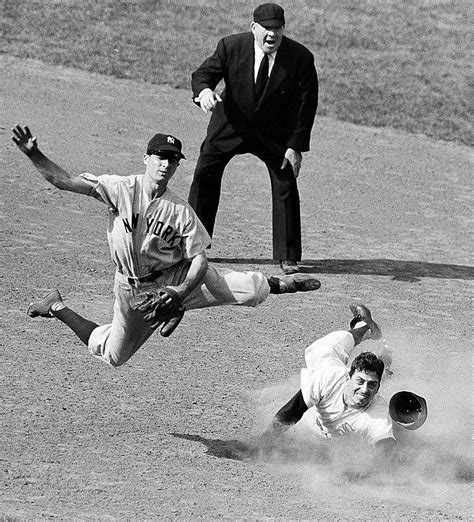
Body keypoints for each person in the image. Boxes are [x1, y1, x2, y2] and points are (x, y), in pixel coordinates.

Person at [12, 124, 321, 368]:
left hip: (177, 276)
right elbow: (64, 181)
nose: (165, 164)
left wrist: (179, 292)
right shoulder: (120, 188)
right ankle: (56, 305)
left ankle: (282, 284)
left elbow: (199, 261)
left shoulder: (180, 210)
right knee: (115, 355)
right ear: (147, 158)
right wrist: (34, 154)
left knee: (247, 290)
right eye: (160, 156)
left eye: (172, 159)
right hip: (134, 291)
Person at [189, 3, 318, 275]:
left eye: (278, 29)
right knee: (205, 174)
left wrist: (295, 146)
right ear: (254, 28)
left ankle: (288, 255)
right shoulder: (231, 47)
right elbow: (203, 75)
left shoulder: (300, 58)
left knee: (285, 182)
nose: (272, 35)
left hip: (272, 133)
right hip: (230, 125)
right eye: (267, 29)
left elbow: (307, 107)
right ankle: (194, 245)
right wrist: (204, 93)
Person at [262, 304, 397, 450]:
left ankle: (385, 360)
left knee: (375, 376)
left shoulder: (378, 410)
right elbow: (293, 410)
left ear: (377, 388)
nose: (364, 390)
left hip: (328, 443)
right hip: (311, 418)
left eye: (372, 385)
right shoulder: (329, 377)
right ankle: (364, 327)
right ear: (348, 377)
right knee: (319, 350)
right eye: (359, 381)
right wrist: (263, 443)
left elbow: (386, 444)